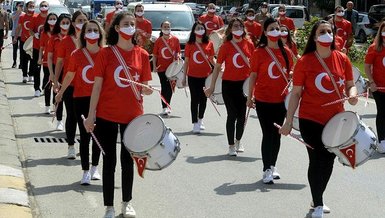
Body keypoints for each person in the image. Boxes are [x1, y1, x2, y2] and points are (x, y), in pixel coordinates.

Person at [279, 20, 357, 218]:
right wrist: (288, 121)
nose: (326, 34)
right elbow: (296, 94)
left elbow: (350, 84)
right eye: (322, 31)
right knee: (316, 159)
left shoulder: (342, 59)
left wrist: (354, 94)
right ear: (314, 37)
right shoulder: (305, 62)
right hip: (310, 118)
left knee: (329, 160)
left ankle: (317, 196)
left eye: (329, 31)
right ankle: (319, 204)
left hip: (336, 120)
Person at [84, 12, 153, 218]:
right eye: (126, 24)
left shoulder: (141, 54)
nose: (130, 27)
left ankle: (126, 203)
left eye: (132, 24)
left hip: (133, 116)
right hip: (107, 115)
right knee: (110, 162)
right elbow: (96, 87)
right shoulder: (106, 53)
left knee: (127, 162)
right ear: (116, 28)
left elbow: (144, 85)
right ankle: (109, 207)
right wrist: (90, 116)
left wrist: (146, 90)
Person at [55, 20, 103, 185]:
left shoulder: (106, 53)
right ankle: (85, 172)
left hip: (101, 99)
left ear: (100, 33)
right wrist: (60, 93)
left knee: (98, 135)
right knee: (84, 135)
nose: (92, 33)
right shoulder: (77, 54)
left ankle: (95, 168)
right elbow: (69, 75)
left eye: (95, 30)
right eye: (88, 30)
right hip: (80, 97)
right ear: (83, 34)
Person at [247, 17, 293, 184]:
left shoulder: (286, 52)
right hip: (263, 100)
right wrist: (250, 96)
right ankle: (266, 169)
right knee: (268, 134)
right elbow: (253, 76)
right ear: (265, 32)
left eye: (278, 28)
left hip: (281, 101)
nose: (276, 31)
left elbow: (289, 75)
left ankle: (273, 166)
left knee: (277, 135)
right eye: (272, 29)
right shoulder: (258, 53)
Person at [204, 18, 254, 156]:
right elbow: (217, 67)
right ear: (230, 29)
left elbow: (254, 67)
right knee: (232, 115)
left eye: (240, 26)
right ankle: (231, 145)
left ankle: (238, 141)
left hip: (243, 85)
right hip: (228, 84)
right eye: (235, 26)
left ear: (243, 28)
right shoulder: (225, 46)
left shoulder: (249, 44)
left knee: (242, 116)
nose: (238, 28)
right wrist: (212, 86)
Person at [54, 10, 88, 159]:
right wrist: (56, 80)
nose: (82, 23)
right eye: (79, 20)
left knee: (86, 118)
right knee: (72, 116)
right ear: (73, 23)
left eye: (84, 20)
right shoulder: (66, 41)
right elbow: (60, 62)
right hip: (70, 85)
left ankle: (84, 147)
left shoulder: (91, 41)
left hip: (87, 86)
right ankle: (71, 146)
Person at [183, 21, 214, 133]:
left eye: (202, 28)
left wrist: (218, 68)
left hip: (206, 76)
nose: (200, 30)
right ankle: (195, 122)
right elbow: (186, 62)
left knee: (203, 99)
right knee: (194, 99)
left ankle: (200, 119)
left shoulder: (209, 43)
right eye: (198, 28)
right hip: (192, 76)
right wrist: (183, 77)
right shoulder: (189, 44)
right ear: (194, 30)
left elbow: (211, 59)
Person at [47, 14, 71, 132]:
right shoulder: (53, 38)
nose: (65, 24)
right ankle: (59, 120)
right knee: (58, 95)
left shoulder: (75, 38)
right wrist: (52, 73)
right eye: (63, 22)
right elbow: (50, 57)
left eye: (67, 22)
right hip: (58, 69)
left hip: (72, 70)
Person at [364, 21, 385, 154]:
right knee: (382, 112)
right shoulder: (374, 48)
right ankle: (382, 140)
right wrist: (371, 82)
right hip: (379, 87)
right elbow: (366, 66)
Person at [152, 20, 181, 116]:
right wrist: (154, 66)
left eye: (168, 26)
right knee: (164, 87)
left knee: (170, 87)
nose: (167, 28)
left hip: (173, 68)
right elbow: (155, 55)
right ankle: (164, 107)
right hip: (161, 68)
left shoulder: (175, 39)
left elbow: (178, 51)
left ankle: (168, 105)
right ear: (161, 28)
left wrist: (179, 57)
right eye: (165, 26)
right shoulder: (158, 41)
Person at [38, 12, 57, 114]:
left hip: (57, 63)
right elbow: (41, 48)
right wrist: (39, 58)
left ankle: (55, 105)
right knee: (47, 83)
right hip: (46, 62)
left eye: (54, 18)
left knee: (56, 84)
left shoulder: (59, 34)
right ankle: (47, 106)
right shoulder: (44, 33)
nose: (53, 20)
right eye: (51, 18)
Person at [30, 1, 49, 97]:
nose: (44, 7)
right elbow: (30, 31)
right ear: (39, 7)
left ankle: (45, 88)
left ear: (48, 8)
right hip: (37, 47)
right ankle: (37, 88)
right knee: (37, 69)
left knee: (47, 71)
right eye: (42, 5)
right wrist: (35, 34)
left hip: (49, 49)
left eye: (46, 6)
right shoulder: (35, 18)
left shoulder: (51, 18)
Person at [13, 0, 35, 83]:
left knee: (33, 59)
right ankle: (24, 75)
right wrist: (15, 37)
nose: (31, 8)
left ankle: (31, 74)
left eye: (33, 6)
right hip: (23, 40)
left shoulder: (36, 17)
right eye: (30, 6)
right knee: (24, 59)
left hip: (33, 42)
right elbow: (18, 28)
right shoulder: (22, 17)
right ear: (26, 7)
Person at [11, 2, 23, 68]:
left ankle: (21, 63)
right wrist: (18, 12)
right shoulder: (14, 13)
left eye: (21, 6)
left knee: (21, 50)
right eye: (19, 5)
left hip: (21, 34)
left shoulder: (24, 14)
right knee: (14, 49)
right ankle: (14, 62)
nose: (21, 7)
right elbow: (13, 18)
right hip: (14, 33)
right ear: (16, 6)